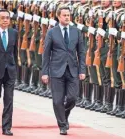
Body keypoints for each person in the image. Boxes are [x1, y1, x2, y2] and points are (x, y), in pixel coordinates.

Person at [41, 6, 85, 135]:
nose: (67, 17)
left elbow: (81, 52)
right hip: (56, 70)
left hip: (72, 70)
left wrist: (82, 70)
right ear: (58, 17)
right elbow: (46, 53)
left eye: (68, 15)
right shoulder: (52, 32)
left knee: (72, 98)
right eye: (64, 15)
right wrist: (45, 72)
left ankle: (63, 116)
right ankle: (62, 125)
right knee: (57, 100)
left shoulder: (76, 31)